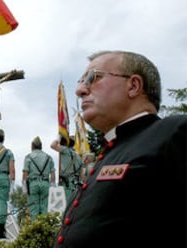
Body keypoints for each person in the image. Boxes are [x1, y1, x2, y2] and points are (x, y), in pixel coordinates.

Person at [53, 50, 186, 248]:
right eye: (81, 81)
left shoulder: (174, 132)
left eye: (94, 77)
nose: (80, 90)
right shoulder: (109, 152)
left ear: (133, 86)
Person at [22, 136, 56, 221]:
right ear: (41, 146)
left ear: (32, 146)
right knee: (44, 209)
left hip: (33, 184)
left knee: (33, 209)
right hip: (45, 184)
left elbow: (25, 173)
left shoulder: (28, 157)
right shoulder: (49, 157)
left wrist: (24, 187)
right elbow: (53, 173)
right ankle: (43, 230)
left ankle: (35, 230)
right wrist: (52, 185)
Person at [50, 136, 83, 204]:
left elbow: (52, 145)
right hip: (75, 185)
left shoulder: (65, 150)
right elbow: (82, 176)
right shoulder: (79, 157)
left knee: (65, 207)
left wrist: (59, 138)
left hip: (66, 184)